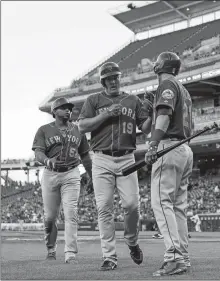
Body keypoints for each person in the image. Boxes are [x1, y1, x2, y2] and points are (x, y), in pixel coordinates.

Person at [78, 62, 153, 271]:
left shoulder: (133, 99)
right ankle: (109, 256)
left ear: (120, 79)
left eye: (116, 77)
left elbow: (146, 129)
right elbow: (82, 125)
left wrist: (153, 112)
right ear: (103, 82)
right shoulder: (93, 100)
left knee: (132, 205)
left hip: (127, 157)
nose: (113, 81)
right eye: (109, 78)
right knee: (104, 208)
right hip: (101, 159)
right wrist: (106, 114)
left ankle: (131, 241)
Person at [145, 52, 193, 276]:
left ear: (160, 65)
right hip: (185, 148)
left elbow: (164, 116)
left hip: (169, 146)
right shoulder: (183, 88)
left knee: (162, 203)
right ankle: (182, 257)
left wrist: (153, 145)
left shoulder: (167, 84)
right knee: (178, 207)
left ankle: (174, 258)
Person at [32, 97, 93, 264]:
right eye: (63, 107)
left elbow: (86, 155)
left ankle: (70, 253)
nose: (68, 110)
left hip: (72, 173)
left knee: (71, 213)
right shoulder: (44, 130)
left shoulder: (78, 130)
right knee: (50, 217)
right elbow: (38, 152)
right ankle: (51, 249)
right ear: (54, 112)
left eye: (69, 108)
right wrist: (47, 160)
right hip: (51, 173)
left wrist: (91, 175)